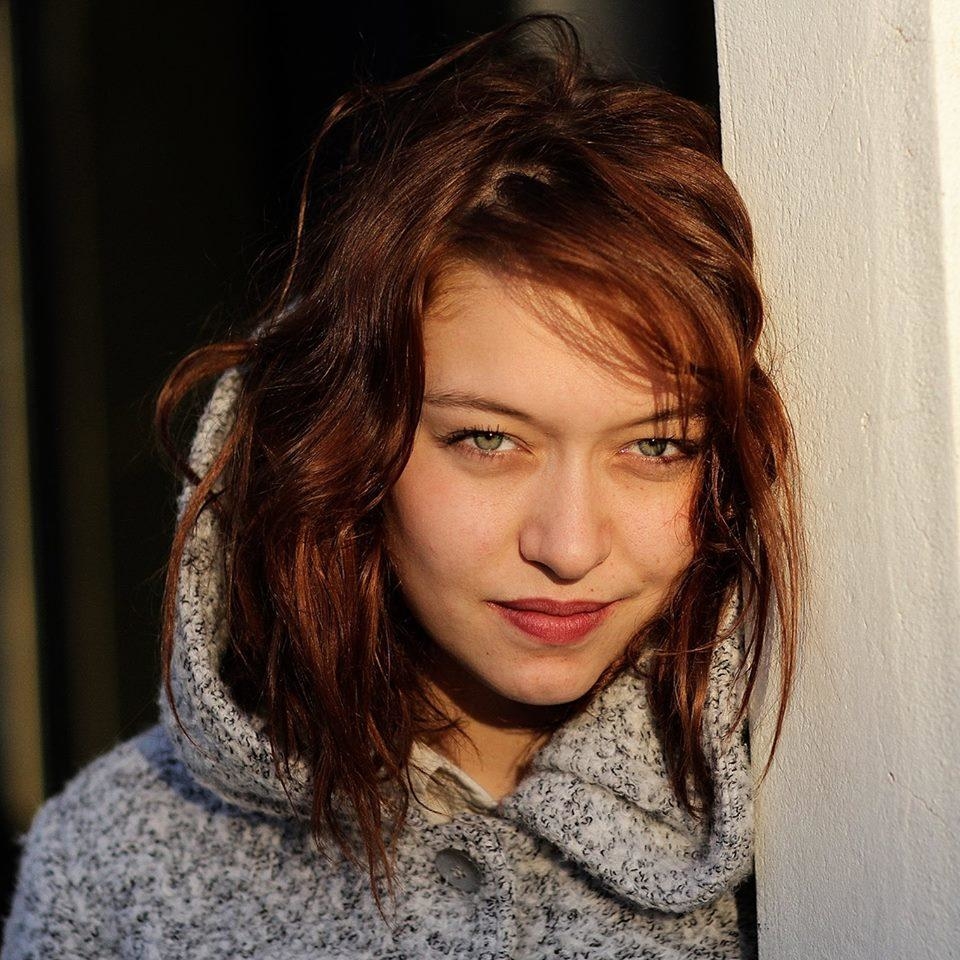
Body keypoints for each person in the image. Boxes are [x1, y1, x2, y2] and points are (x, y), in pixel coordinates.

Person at [2, 14, 803, 959]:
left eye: (657, 446)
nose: (569, 545)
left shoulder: (820, 826)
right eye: (488, 439)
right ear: (349, 445)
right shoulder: (115, 864)